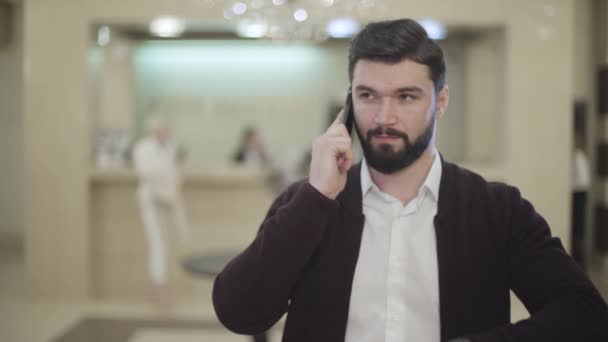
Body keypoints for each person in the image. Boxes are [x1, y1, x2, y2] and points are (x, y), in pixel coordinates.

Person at [212, 19, 608, 341]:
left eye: (406, 97)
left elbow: (584, 315)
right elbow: (240, 313)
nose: (384, 117)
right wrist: (316, 197)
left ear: (440, 101)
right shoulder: (309, 202)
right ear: (350, 104)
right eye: (368, 96)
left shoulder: (497, 210)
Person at [133, 114, 190, 307]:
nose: (165, 132)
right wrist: (166, 183)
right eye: (162, 128)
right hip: (152, 203)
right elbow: (148, 174)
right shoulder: (142, 148)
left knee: (167, 244)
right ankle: (159, 290)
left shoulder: (171, 149)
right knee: (158, 245)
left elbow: (177, 175)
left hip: (169, 203)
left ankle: (163, 287)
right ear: (154, 129)